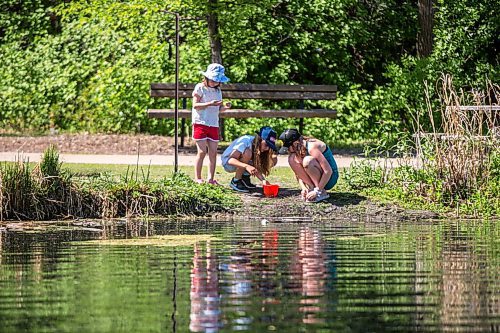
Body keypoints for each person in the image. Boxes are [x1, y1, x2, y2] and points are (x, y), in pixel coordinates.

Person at [192, 63, 231, 184]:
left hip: (213, 124)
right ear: (207, 78)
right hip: (200, 123)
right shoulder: (200, 87)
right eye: (213, 80)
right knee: (202, 152)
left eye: (217, 80)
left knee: (213, 153)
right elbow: (195, 105)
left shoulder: (218, 91)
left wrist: (225, 107)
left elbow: (218, 109)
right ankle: (198, 178)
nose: (215, 82)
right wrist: (209, 103)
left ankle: (211, 179)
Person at [279, 129, 338, 202]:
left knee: (308, 161)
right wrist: (304, 188)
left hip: (330, 178)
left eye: (288, 147)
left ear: (295, 143)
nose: (287, 150)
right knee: (292, 158)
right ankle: (311, 187)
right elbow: (298, 173)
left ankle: (321, 192)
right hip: (319, 177)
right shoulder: (298, 148)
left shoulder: (312, 147)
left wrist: (317, 191)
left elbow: (328, 171)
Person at [221, 126, 278, 192]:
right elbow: (230, 160)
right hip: (228, 164)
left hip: (242, 164)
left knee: (273, 158)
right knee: (248, 153)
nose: (267, 148)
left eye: (269, 146)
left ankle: (245, 178)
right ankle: (236, 181)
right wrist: (247, 166)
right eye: (266, 144)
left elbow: (255, 166)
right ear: (260, 140)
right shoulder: (245, 141)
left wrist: (263, 180)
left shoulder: (260, 148)